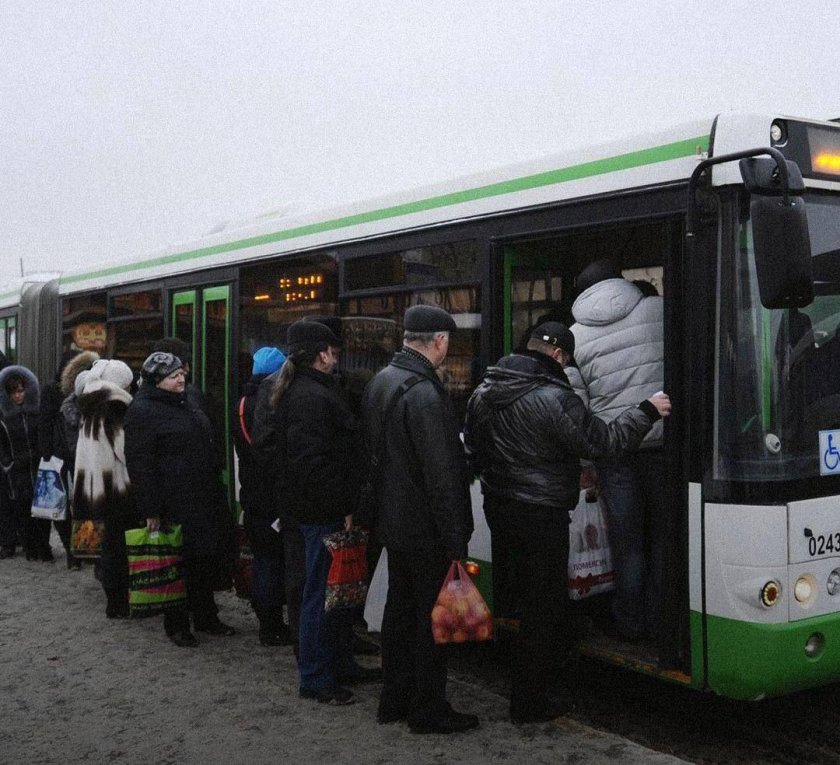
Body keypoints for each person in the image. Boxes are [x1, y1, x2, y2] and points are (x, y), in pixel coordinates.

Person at [464, 321, 671, 723]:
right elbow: (605, 443)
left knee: (527, 601)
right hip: (542, 513)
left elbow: (474, 447)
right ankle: (529, 702)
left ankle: (532, 687)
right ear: (559, 356)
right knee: (543, 607)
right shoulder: (557, 398)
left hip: (500, 507)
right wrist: (647, 410)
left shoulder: (485, 390)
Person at [360, 305, 477, 734]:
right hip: (424, 528)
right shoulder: (426, 393)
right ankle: (428, 709)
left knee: (399, 612)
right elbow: (443, 475)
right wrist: (456, 536)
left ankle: (394, 698)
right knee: (431, 620)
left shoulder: (382, 381)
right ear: (440, 342)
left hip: (393, 524)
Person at [258, 320, 376, 706]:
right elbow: (313, 464)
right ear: (321, 354)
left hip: (316, 508)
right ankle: (315, 677)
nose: (337, 357)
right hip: (320, 512)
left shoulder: (305, 389)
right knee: (320, 594)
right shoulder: (311, 397)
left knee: (337, 592)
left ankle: (339, 664)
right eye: (333, 351)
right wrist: (342, 506)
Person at [569, 258, 666, 641]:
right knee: (662, 538)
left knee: (628, 544)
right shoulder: (658, 310)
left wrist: (585, 463)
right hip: (660, 446)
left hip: (613, 455)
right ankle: (661, 621)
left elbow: (576, 410)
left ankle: (629, 623)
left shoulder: (573, 337)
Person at [124, 352, 235, 647]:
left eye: (181, 374)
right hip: (173, 500)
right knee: (176, 564)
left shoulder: (188, 401)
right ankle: (177, 624)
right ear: (157, 381)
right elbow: (140, 464)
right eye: (173, 376)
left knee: (203, 560)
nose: (180, 379)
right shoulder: (142, 411)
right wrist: (151, 509)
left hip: (202, 496)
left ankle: (206, 615)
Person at [233, 346, 293, 646]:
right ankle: (272, 625)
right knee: (273, 561)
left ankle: (268, 620)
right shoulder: (273, 402)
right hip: (272, 496)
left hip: (253, 493)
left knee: (264, 558)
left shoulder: (242, 403)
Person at [73, 359, 135, 618]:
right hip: (115, 486)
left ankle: (113, 600)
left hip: (93, 485)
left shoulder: (90, 404)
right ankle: (119, 602)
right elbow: (124, 450)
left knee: (108, 547)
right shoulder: (115, 407)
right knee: (120, 547)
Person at [39, 350, 98, 569]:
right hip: (61, 456)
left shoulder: (88, 390)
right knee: (63, 506)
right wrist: (47, 457)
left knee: (80, 504)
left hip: (78, 455)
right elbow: (44, 425)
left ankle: (82, 549)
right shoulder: (52, 391)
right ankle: (74, 550)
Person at [0, 366, 46, 560]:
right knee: (22, 509)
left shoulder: (34, 412)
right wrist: (7, 463)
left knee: (41, 510)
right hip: (16, 470)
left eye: (20, 391)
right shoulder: (4, 418)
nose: (18, 396)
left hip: (36, 466)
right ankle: (28, 545)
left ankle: (41, 546)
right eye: (13, 393)